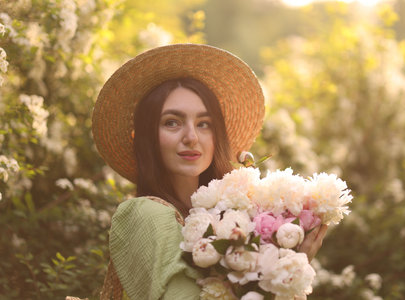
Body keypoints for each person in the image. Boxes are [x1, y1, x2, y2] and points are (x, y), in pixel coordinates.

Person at [92, 44, 327, 300]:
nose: (191, 137)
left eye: (204, 124)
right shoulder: (145, 214)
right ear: (147, 137)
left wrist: (285, 267)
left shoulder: (236, 219)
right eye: (172, 122)